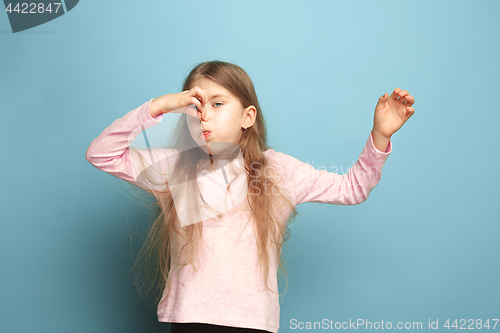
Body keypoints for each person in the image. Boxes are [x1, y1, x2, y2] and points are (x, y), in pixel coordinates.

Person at [85, 60, 415, 333]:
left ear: (247, 117)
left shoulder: (279, 171)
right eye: (193, 106)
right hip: (189, 320)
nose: (203, 114)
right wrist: (157, 106)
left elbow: (353, 187)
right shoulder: (172, 169)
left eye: (217, 103)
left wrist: (380, 135)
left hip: (252, 323)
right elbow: (101, 154)